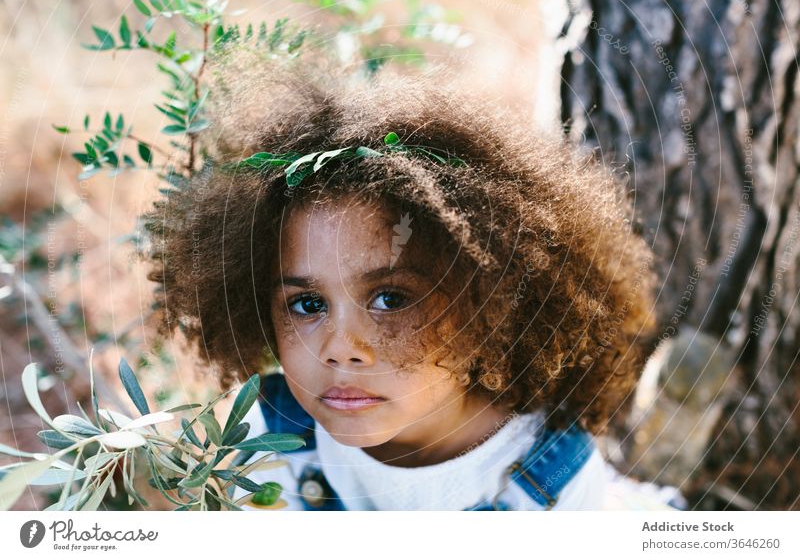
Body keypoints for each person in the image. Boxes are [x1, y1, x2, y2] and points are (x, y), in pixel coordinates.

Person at [143, 54, 685, 511]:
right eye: (307, 303)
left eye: (389, 299)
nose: (341, 349)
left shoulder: (551, 483)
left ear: (488, 305)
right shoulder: (276, 437)